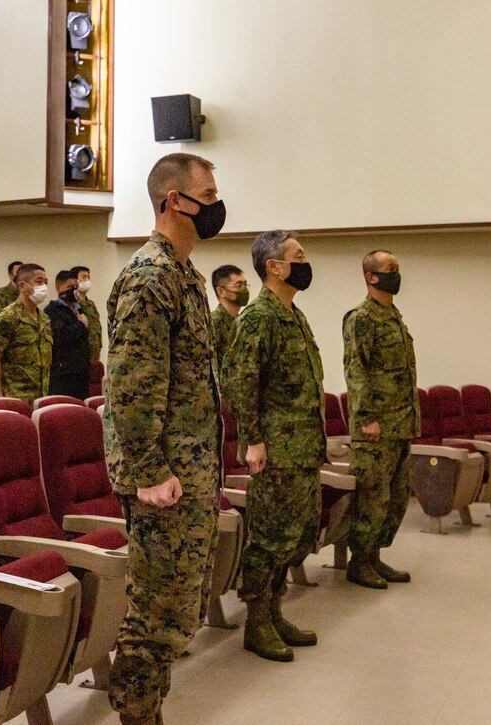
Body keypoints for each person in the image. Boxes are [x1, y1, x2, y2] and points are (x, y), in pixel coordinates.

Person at [103, 152, 226, 725]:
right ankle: (136, 716)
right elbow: (130, 386)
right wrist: (150, 472)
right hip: (166, 480)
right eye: (207, 193)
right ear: (174, 200)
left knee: (176, 614)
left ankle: (147, 712)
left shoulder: (182, 275)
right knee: (154, 618)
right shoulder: (151, 276)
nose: (216, 204)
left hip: (188, 472)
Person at [222, 229, 325, 663]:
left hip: (302, 447)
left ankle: (275, 610)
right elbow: (240, 382)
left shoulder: (293, 314)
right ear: (274, 267)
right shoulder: (258, 317)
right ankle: (257, 623)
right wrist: (254, 440)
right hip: (276, 451)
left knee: (295, 535)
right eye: (297, 257)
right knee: (268, 538)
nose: (305, 263)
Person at [342, 250, 419, 588]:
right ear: (371, 277)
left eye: (398, 269)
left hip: (400, 424)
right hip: (375, 428)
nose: (396, 274)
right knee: (373, 499)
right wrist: (367, 417)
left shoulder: (394, 316)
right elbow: (355, 370)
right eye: (391, 269)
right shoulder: (361, 318)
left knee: (396, 499)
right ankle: (359, 562)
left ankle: (374, 556)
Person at [0, 263, 52, 402]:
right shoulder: (8, 317)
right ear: (22, 286)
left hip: (40, 397)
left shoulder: (44, 319)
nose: (44, 287)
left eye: (46, 283)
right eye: (39, 282)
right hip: (15, 397)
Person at [45, 269, 90, 400]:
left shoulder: (79, 309)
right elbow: (60, 336)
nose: (74, 291)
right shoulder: (52, 311)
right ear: (59, 287)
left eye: (76, 287)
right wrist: (81, 324)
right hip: (63, 373)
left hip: (81, 371)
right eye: (70, 287)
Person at [210, 264, 249, 368]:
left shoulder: (242, 322)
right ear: (221, 291)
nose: (244, 289)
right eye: (238, 285)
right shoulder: (213, 323)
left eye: (245, 284)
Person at [71, 264, 103, 365]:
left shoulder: (91, 304)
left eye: (88, 277)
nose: (87, 280)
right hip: (78, 357)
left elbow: (97, 329)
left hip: (94, 354)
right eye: (83, 277)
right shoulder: (71, 304)